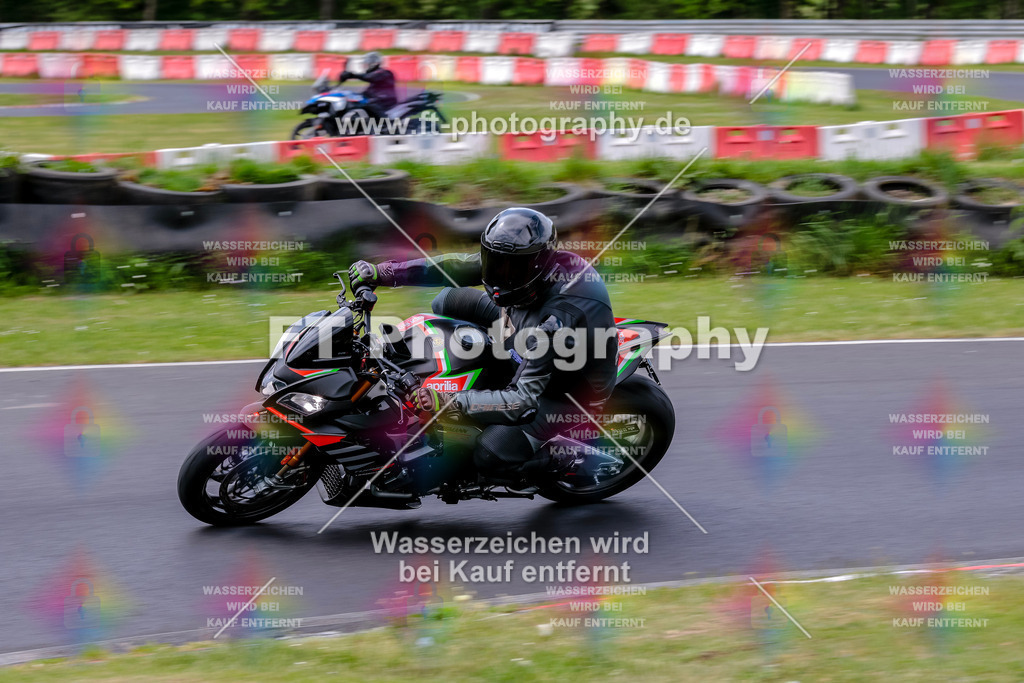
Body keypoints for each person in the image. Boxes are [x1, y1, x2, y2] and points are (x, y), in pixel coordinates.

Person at [348, 208, 618, 482]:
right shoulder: (520, 264)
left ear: (537, 266)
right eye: (493, 261)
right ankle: (486, 366)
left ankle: (568, 458)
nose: (498, 274)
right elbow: (451, 266)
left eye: (509, 268)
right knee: (446, 299)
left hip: (563, 390)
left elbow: (523, 402)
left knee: (490, 455)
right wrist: (383, 273)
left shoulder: (556, 321)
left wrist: (448, 402)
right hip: (520, 321)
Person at [337, 51, 397, 122]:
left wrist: (352, 75)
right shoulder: (375, 74)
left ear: (374, 63)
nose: (365, 66)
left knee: (370, 104)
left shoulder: (384, 72)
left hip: (385, 100)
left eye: (367, 64)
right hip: (376, 99)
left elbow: (370, 77)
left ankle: (387, 123)